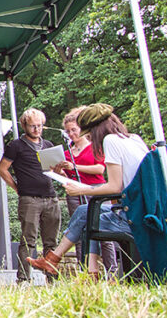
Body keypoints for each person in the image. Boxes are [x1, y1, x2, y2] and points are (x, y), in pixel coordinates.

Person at [28, 104, 150, 279]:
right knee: (85, 211)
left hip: (132, 214)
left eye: (89, 133)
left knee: (89, 217)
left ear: (96, 129)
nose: (90, 137)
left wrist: (82, 189)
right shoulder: (134, 139)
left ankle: (83, 272)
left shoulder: (111, 141)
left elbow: (115, 187)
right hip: (144, 208)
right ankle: (62, 262)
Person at [0, 108, 61, 283]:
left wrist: (62, 169)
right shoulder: (16, 146)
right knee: (27, 240)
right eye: (32, 126)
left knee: (51, 241)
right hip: (29, 198)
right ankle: (23, 278)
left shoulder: (47, 145)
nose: (36, 129)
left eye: (39, 126)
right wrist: (16, 187)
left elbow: (55, 171)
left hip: (50, 195)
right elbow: (2, 169)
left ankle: (52, 278)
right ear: (24, 125)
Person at [54, 107, 117, 274]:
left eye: (74, 130)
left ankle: (111, 270)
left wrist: (75, 166)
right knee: (80, 230)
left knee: (103, 229)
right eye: (67, 131)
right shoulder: (67, 153)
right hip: (76, 192)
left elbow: (99, 169)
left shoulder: (94, 147)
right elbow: (66, 175)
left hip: (97, 189)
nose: (71, 134)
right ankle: (85, 269)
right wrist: (57, 170)